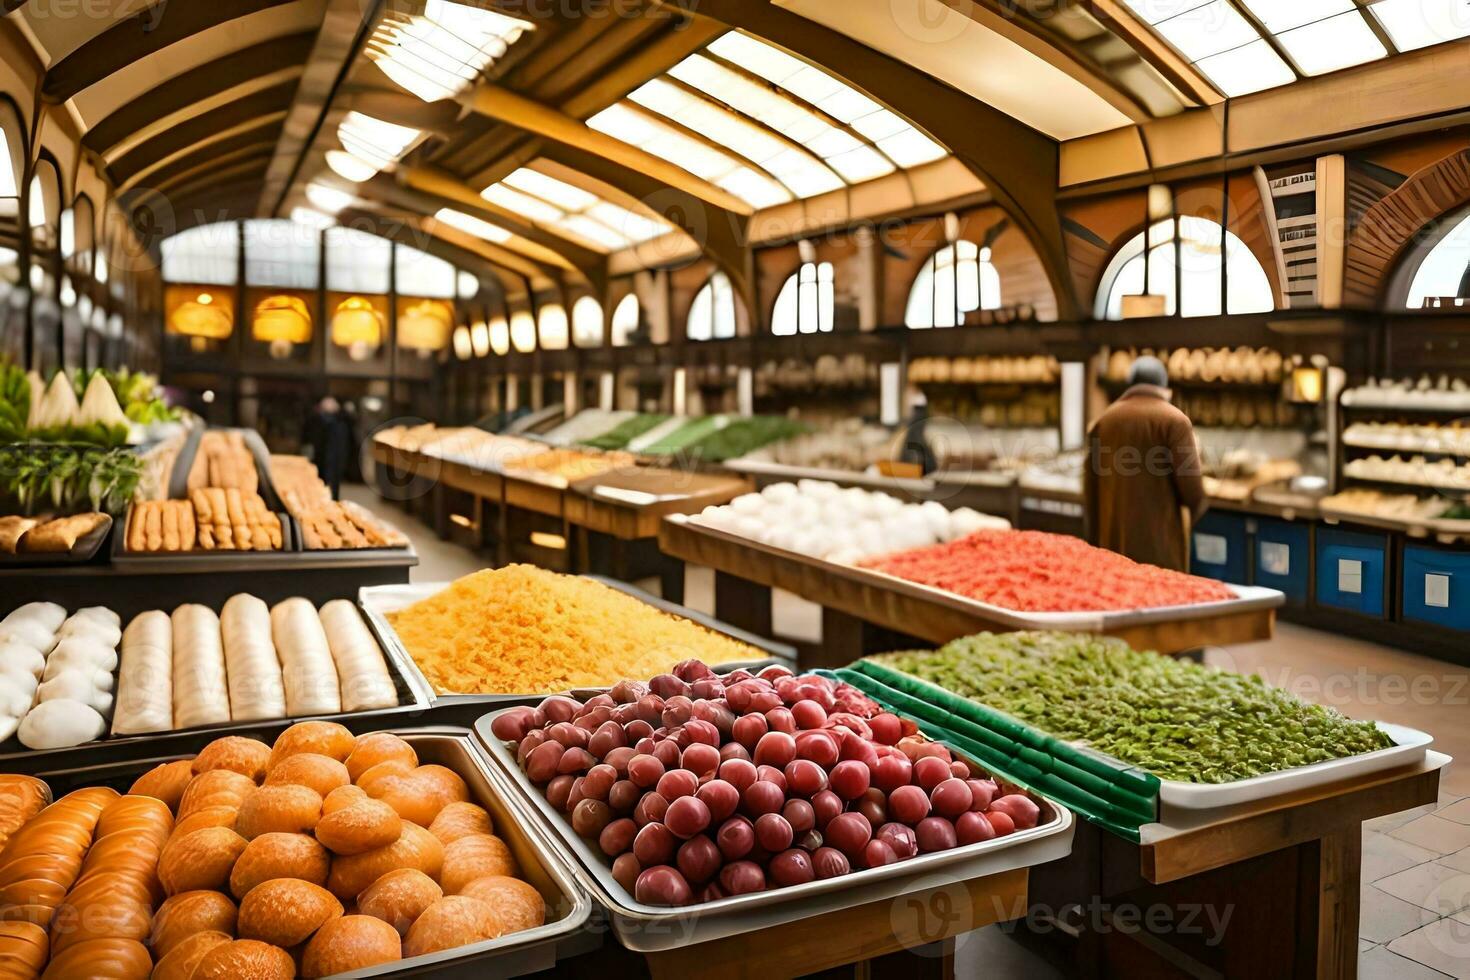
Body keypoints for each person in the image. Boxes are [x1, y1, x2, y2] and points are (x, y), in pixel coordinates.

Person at [1083, 356, 1206, 571]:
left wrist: (1095, 544)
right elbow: (1193, 492)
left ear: (1130, 385)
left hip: (1112, 552)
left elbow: (1090, 492)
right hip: (1158, 554)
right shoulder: (1175, 421)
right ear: (1164, 387)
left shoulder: (1103, 422)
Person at [303, 396, 351, 500]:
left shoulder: (340, 423)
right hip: (321, 458)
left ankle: (332, 500)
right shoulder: (316, 421)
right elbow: (310, 438)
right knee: (321, 481)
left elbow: (344, 444)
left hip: (335, 458)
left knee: (334, 484)